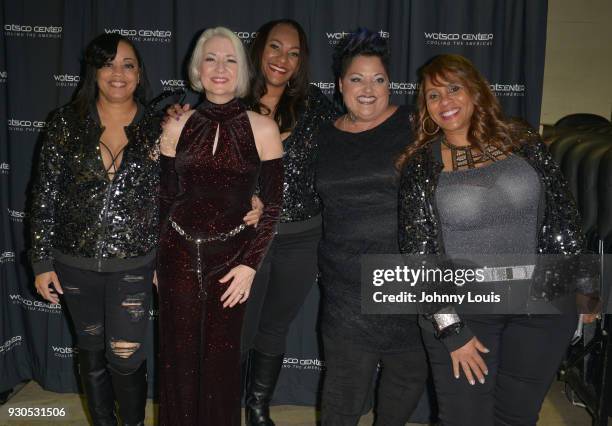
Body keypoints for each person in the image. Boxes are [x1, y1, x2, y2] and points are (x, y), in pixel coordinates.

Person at [30, 33, 262, 426]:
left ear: (140, 74)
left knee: (125, 356)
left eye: (128, 65)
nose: (117, 73)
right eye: (108, 64)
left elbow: (200, 182)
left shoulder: (162, 124)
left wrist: (251, 200)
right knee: (90, 350)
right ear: (94, 71)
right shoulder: (65, 124)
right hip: (73, 262)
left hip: (136, 263)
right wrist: (40, 260)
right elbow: (43, 194)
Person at [396, 54, 597, 425]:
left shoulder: (523, 141)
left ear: (474, 91)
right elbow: (418, 254)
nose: (446, 102)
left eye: (453, 89)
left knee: (518, 417)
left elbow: (562, 215)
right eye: (433, 95)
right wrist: (451, 329)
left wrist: (583, 283)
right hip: (466, 311)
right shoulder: (422, 166)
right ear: (425, 107)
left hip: (542, 306)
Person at [156, 26, 284, 425]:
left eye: (230, 59)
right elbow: (164, 198)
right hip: (177, 254)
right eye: (210, 58)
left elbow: (274, 204)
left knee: (221, 366)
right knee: (176, 360)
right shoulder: (177, 126)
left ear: (242, 69)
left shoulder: (262, 128)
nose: (220, 67)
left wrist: (249, 266)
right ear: (197, 67)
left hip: (232, 262)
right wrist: (157, 263)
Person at [315, 29, 428, 425]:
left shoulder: (416, 126)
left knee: (401, 393)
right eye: (357, 79)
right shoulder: (322, 136)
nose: (368, 89)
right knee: (340, 405)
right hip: (346, 292)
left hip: (408, 285)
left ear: (390, 84)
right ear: (339, 84)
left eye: (378, 79)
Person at [240, 19, 337, 425]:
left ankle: (258, 407)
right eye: (275, 48)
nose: (283, 59)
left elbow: (349, 149)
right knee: (239, 330)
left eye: (294, 53)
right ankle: (224, 405)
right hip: (246, 238)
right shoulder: (230, 99)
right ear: (259, 50)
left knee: (275, 327)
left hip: (302, 239)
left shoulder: (317, 107)